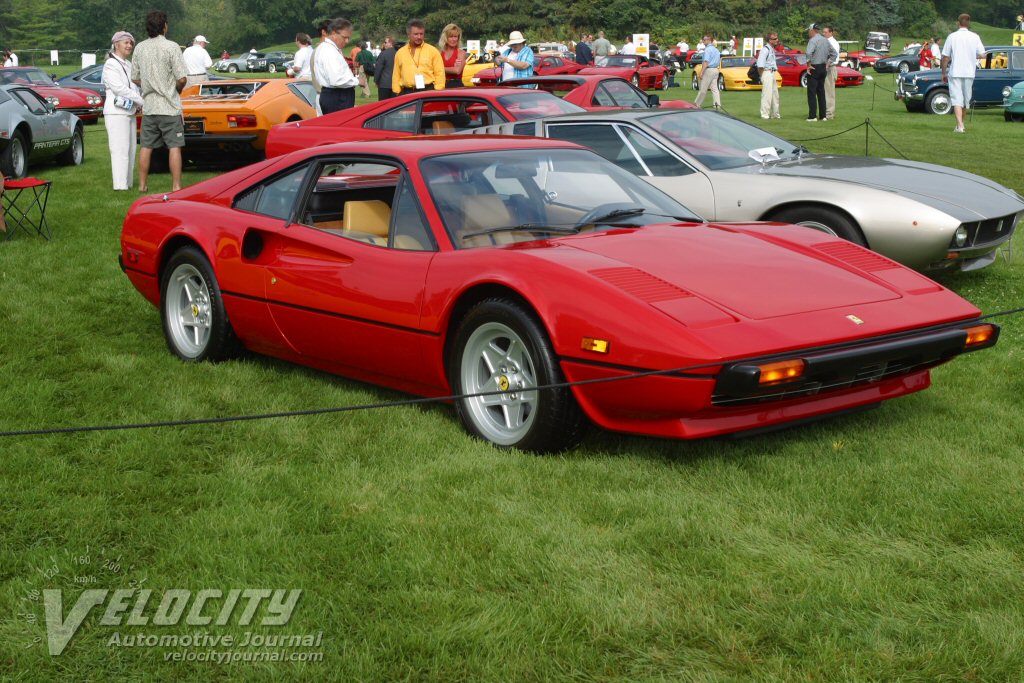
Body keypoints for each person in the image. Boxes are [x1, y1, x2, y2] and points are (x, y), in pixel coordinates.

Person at [131, 9, 188, 193]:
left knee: (146, 147)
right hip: (169, 106)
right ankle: (176, 186)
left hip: (149, 107)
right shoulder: (172, 47)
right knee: (174, 146)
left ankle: (142, 185)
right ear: (164, 26)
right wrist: (176, 90)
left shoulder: (140, 48)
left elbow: (135, 78)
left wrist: (149, 85)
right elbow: (182, 78)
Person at [102, 31, 144, 190]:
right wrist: (140, 100)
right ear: (116, 44)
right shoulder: (111, 64)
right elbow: (118, 88)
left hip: (129, 111)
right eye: (126, 42)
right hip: (116, 112)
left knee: (131, 150)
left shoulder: (128, 63)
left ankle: (128, 183)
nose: (129, 45)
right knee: (120, 150)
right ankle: (120, 185)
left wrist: (138, 101)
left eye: (131, 43)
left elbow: (133, 86)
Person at [941, 13, 986, 133]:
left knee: (957, 99)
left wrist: (943, 73)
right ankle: (960, 125)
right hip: (969, 72)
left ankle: (960, 126)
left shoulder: (952, 37)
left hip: (955, 71)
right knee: (965, 101)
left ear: (958, 23)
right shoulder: (975, 37)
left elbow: (945, 57)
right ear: (968, 23)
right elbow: (983, 55)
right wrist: (972, 55)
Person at [314, 18, 359, 114]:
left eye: (349, 38)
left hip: (336, 96)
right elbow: (336, 80)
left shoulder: (329, 48)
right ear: (333, 33)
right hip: (337, 98)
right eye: (344, 37)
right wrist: (357, 81)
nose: (347, 41)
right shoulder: (329, 51)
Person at [392, 19, 445, 95]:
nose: (419, 37)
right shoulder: (400, 53)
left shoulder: (433, 51)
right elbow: (396, 75)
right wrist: (397, 92)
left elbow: (440, 73)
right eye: (416, 34)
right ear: (408, 35)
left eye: (421, 34)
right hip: (406, 92)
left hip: (428, 91)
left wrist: (437, 91)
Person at [805, 23, 829, 121]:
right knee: (821, 92)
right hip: (823, 67)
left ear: (812, 30)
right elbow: (834, 53)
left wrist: (808, 65)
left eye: (809, 31)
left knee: (811, 92)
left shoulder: (812, 40)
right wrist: (828, 63)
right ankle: (823, 116)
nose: (808, 32)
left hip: (814, 67)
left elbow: (808, 53)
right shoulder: (825, 40)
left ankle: (812, 116)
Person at [693, 34, 721, 109]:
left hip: (709, 69)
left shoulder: (707, 50)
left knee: (703, 88)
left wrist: (702, 72)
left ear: (709, 40)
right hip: (716, 69)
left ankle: (697, 104)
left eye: (704, 40)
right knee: (715, 89)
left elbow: (706, 62)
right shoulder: (716, 49)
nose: (703, 41)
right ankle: (717, 105)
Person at [757, 32, 781, 119]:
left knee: (775, 95)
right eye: (775, 39)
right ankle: (765, 114)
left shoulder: (771, 49)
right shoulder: (765, 50)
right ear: (770, 40)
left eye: (777, 38)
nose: (777, 40)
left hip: (772, 72)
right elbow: (760, 65)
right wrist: (761, 76)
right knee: (767, 95)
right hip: (766, 72)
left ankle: (775, 114)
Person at [310, 20, 330, 115]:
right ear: (324, 32)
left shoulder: (319, 50)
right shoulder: (324, 51)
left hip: (323, 95)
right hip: (326, 96)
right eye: (333, 32)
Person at [438, 23, 466, 88]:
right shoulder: (439, 53)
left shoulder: (461, 53)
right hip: (441, 85)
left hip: (456, 85)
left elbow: (457, 71)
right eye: (451, 36)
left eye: (455, 36)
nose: (454, 39)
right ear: (445, 38)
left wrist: (439, 69)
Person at [822, 25, 840, 120]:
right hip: (825, 67)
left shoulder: (833, 43)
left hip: (830, 67)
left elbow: (833, 56)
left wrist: (827, 64)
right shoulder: (826, 41)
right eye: (823, 32)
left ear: (830, 33)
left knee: (829, 92)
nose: (823, 34)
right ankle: (824, 112)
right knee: (824, 91)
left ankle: (829, 114)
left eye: (825, 32)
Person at [374, 36, 398, 100]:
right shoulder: (398, 53)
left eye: (385, 42)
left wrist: (376, 80)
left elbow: (378, 69)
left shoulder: (383, 54)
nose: (384, 44)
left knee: (383, 104)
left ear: (390, 43)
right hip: (396, 84)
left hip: (384, 84)